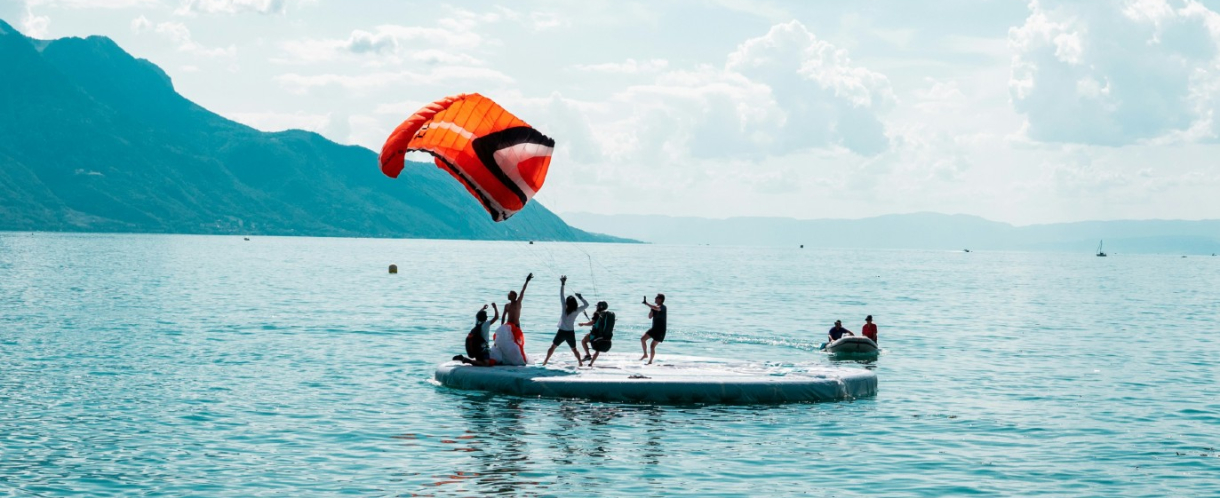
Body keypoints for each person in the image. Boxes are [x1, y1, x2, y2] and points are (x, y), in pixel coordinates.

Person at [543, 275, 588, 366]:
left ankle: (545, 361)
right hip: (570, 333)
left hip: (561, 332)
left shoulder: (565, 308)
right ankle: (580, 363)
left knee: (553, 347)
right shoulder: (577, 310)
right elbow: (586, 305)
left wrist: (563, 284)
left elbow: (561, 296)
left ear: (567, 303)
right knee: (574, 349)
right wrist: (581, 297)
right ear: (575, 302)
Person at [489, 273, 532, 366]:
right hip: (508, 326)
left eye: (510, 294)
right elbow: (504, 316)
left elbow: (522, 291)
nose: (508, 295)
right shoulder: (507, 305)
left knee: (518, 343)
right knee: (505, 342)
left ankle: (519, 357)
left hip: (516, 326)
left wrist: (527, 281)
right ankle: (505, 357)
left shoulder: (518, 303)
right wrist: (501, 327)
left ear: (513, 296)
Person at [639, 293, 667, 365]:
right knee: (642, 339)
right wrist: (652, 309)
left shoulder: (663, 307)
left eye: (656, 298)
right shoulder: (655, 308)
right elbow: (649, 317)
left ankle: (650, 361)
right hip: (654, 329)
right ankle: (645, 354)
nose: (655, 299)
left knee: (652, 346)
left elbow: (657, 308)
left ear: (660, 299)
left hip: (660, 331)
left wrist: (646, 303)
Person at [585, 302, 615, 367]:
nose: (596, 307)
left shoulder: (597, 314)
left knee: (583, 341)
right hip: (605, 337)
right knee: (597, 350)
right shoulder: (607, 315)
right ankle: (591, 363)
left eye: (597, 306)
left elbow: (592, 323)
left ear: (599, 307)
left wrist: (582, 324)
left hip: (596, 336)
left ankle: (588, 355)